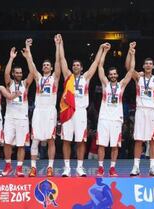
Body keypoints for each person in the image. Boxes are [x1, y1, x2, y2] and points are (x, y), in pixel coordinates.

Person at [58, 34, 105, 177]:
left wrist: (100, 49)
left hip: (81, 112)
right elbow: (61, 59)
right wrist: (60, 43)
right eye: (74, 65)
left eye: (78, 65)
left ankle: (79, 167)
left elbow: (96, 63)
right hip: (68, 111)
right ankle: (67, 168)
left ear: (82, 68)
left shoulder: (86, 78)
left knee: (81, 140)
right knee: (66, 140)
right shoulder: (68, 76)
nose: (75, 67)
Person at [21, 36, 61, 177]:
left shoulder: (55, 78)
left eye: (47, 65)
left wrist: (57, 45)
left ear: (51, 68)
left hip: (50, 111)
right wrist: (28, 48)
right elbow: (31, 65)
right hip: (38, 111)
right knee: (35, 138)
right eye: (44, 65)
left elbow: (58, 62)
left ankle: (50, 167)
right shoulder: (38, 77)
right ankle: (33, 167)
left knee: (51, 139)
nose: (45, 67)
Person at [126, 42, 154, 176]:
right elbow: (128, 67)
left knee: (153, 140)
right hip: (141, 110)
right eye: (146, 63)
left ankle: (152, 167)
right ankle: (136, 167)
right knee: (139, 139)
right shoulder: (138, 77)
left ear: (153, 66)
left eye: (150, 64)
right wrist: (131, 52)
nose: (148, 65)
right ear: (143, 66)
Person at [96, 42, 135, 177]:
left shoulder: (121, 85)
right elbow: (100, 66)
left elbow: (131, 71)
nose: (112, 75)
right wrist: (105, 51)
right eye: (110, 74)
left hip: (116, 119)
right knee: (101, 144)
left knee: (115, 145)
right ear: (108, 75)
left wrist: (131, 52)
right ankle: (100, 167)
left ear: (117, 75)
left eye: (114, 74)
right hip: (104, 118)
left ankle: (112, 168)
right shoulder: (105, 83)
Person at [2, 47, 34, 177]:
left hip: (22, 118)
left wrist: (28, 57)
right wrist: (11, 58)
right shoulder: (9, 83)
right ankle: (8, 165)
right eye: (17, 72)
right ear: (14, 74)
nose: (19, 74)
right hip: (9, 117)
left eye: (20, 72)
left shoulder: (25, 83)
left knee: (21, 144)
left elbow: (32, 73)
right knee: (7, 142)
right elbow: (6, 73)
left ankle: (19, 168)